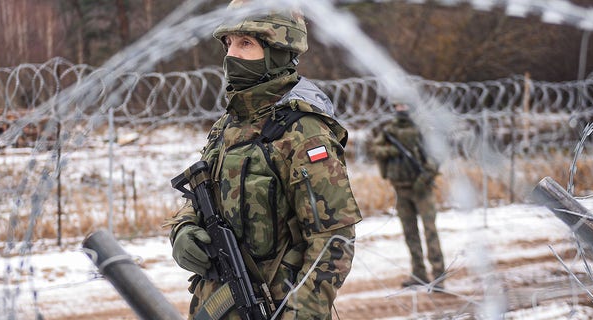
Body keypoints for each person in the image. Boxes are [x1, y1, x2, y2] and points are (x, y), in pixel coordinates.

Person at [164, 1, 362, 319]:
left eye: (246, 43)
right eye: (229, 44)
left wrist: (299, 314)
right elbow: (206, 195)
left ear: (278, 52)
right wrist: (183, 229)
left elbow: (333, 241)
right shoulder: (227, 126)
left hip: (277, 308)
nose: (231, 55)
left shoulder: (304, 131)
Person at [371, 101, 445, 290]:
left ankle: (438, 276)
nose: (401, 109)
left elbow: (436, 156)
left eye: (405, 105)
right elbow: (376, 149)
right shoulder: (389, 131)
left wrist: (424, 178)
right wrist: (392, 150)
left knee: (430, 232)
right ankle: (418, 273)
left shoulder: (421, 130)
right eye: (398, 106)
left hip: (422, 189)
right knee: (410, 233)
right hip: (401, 189)